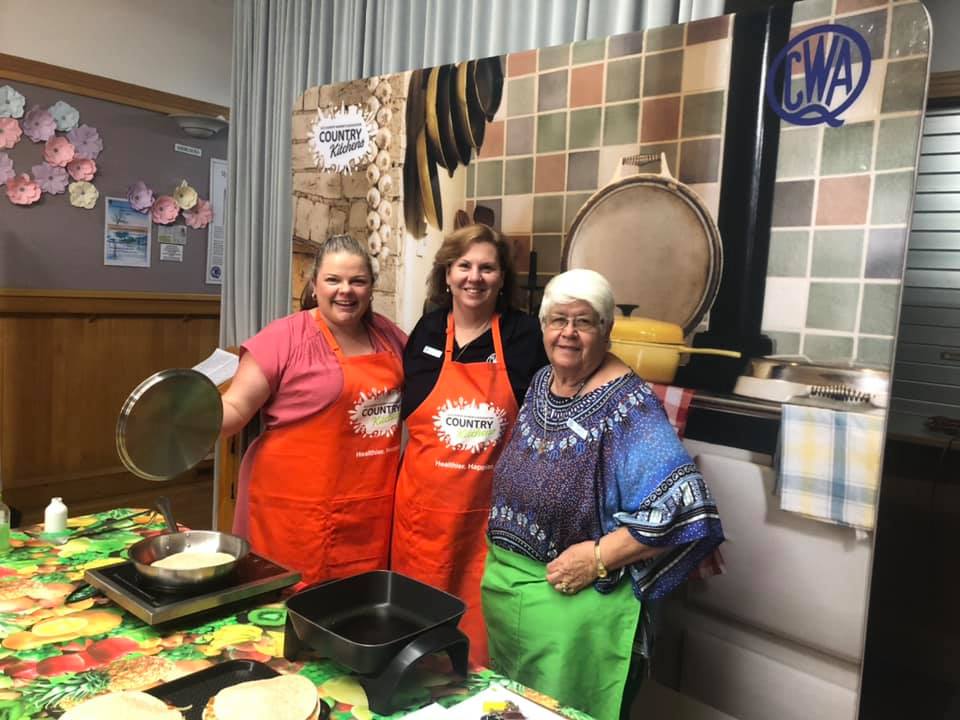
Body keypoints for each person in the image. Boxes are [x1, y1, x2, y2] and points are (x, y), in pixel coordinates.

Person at [481, 269, 724, 720]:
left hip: (576, 611)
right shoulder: (541, 381)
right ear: (543, 326)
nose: (568, 333)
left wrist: (595, 558)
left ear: (607, 330)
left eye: (584, 322)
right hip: (513, 598)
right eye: (557, 320)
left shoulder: (628, 405)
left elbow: (686, 506)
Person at [392, 224, 547, 665]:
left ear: (502, 279)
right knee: (413, 633)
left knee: (477, 644)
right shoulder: (426, 330)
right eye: (464, 266)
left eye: (487, 268)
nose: (474, 277)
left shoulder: (524, 336)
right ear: (447, 274)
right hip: (421, 515)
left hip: (487, 519)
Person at [221, 234, 407, 586]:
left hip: (369, 509)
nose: (345, 291)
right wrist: (188, 417)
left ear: (371, 287)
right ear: (315, 283)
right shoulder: (284, 338)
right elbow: (235, 406)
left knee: (357, 607)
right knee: (285, 606)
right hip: (292, 509)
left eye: (358, 281)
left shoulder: (390, 336)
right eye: (333, 280)